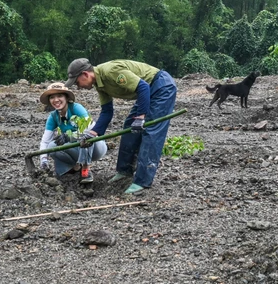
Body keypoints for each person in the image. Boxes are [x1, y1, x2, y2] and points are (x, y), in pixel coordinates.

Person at [65, 58, 177, 195]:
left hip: (160, 86)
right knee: (129, 126)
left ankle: (142, 181)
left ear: (85, 74)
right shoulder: (100, 84)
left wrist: (141, 117)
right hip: (147, 91)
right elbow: (107, 112)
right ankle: (124, 171)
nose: (78, 86)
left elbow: (142, 87)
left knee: (151, 131)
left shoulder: (110, 72)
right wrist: (93, 133)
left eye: (77, 82)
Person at [38, 82, 107, 183]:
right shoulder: (53, 117)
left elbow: (90, 128)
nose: (56, 100)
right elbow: (45, 141)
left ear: (66, 98)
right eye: (52, 97)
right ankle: (75, 167)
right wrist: (43, 159)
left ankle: (86, 168)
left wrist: (69, 136)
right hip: (76, 148)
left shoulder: (76, 108)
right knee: (52, 146)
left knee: (86, 136)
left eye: (59, 96)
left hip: (95, 146)